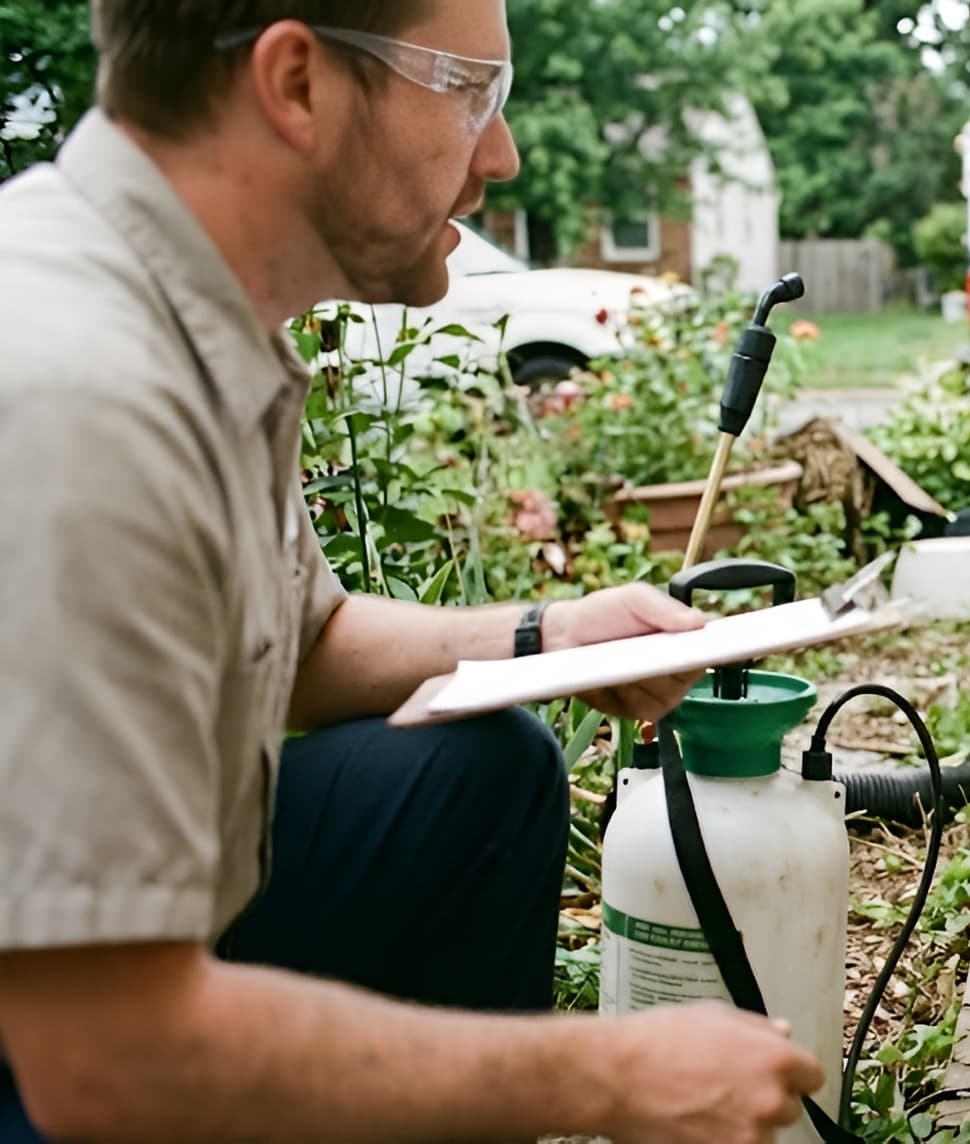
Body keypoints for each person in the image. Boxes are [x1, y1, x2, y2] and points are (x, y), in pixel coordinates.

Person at [0, 4, 824, 1141]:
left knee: (472, 771)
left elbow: (305, 643)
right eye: (470, 91)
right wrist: (606, 1076)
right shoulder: (77, 392)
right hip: (57, 1037)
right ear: (295, 84)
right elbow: (102, 1058)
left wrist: (552, 635)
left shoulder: (188, 319)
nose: (502, 156)